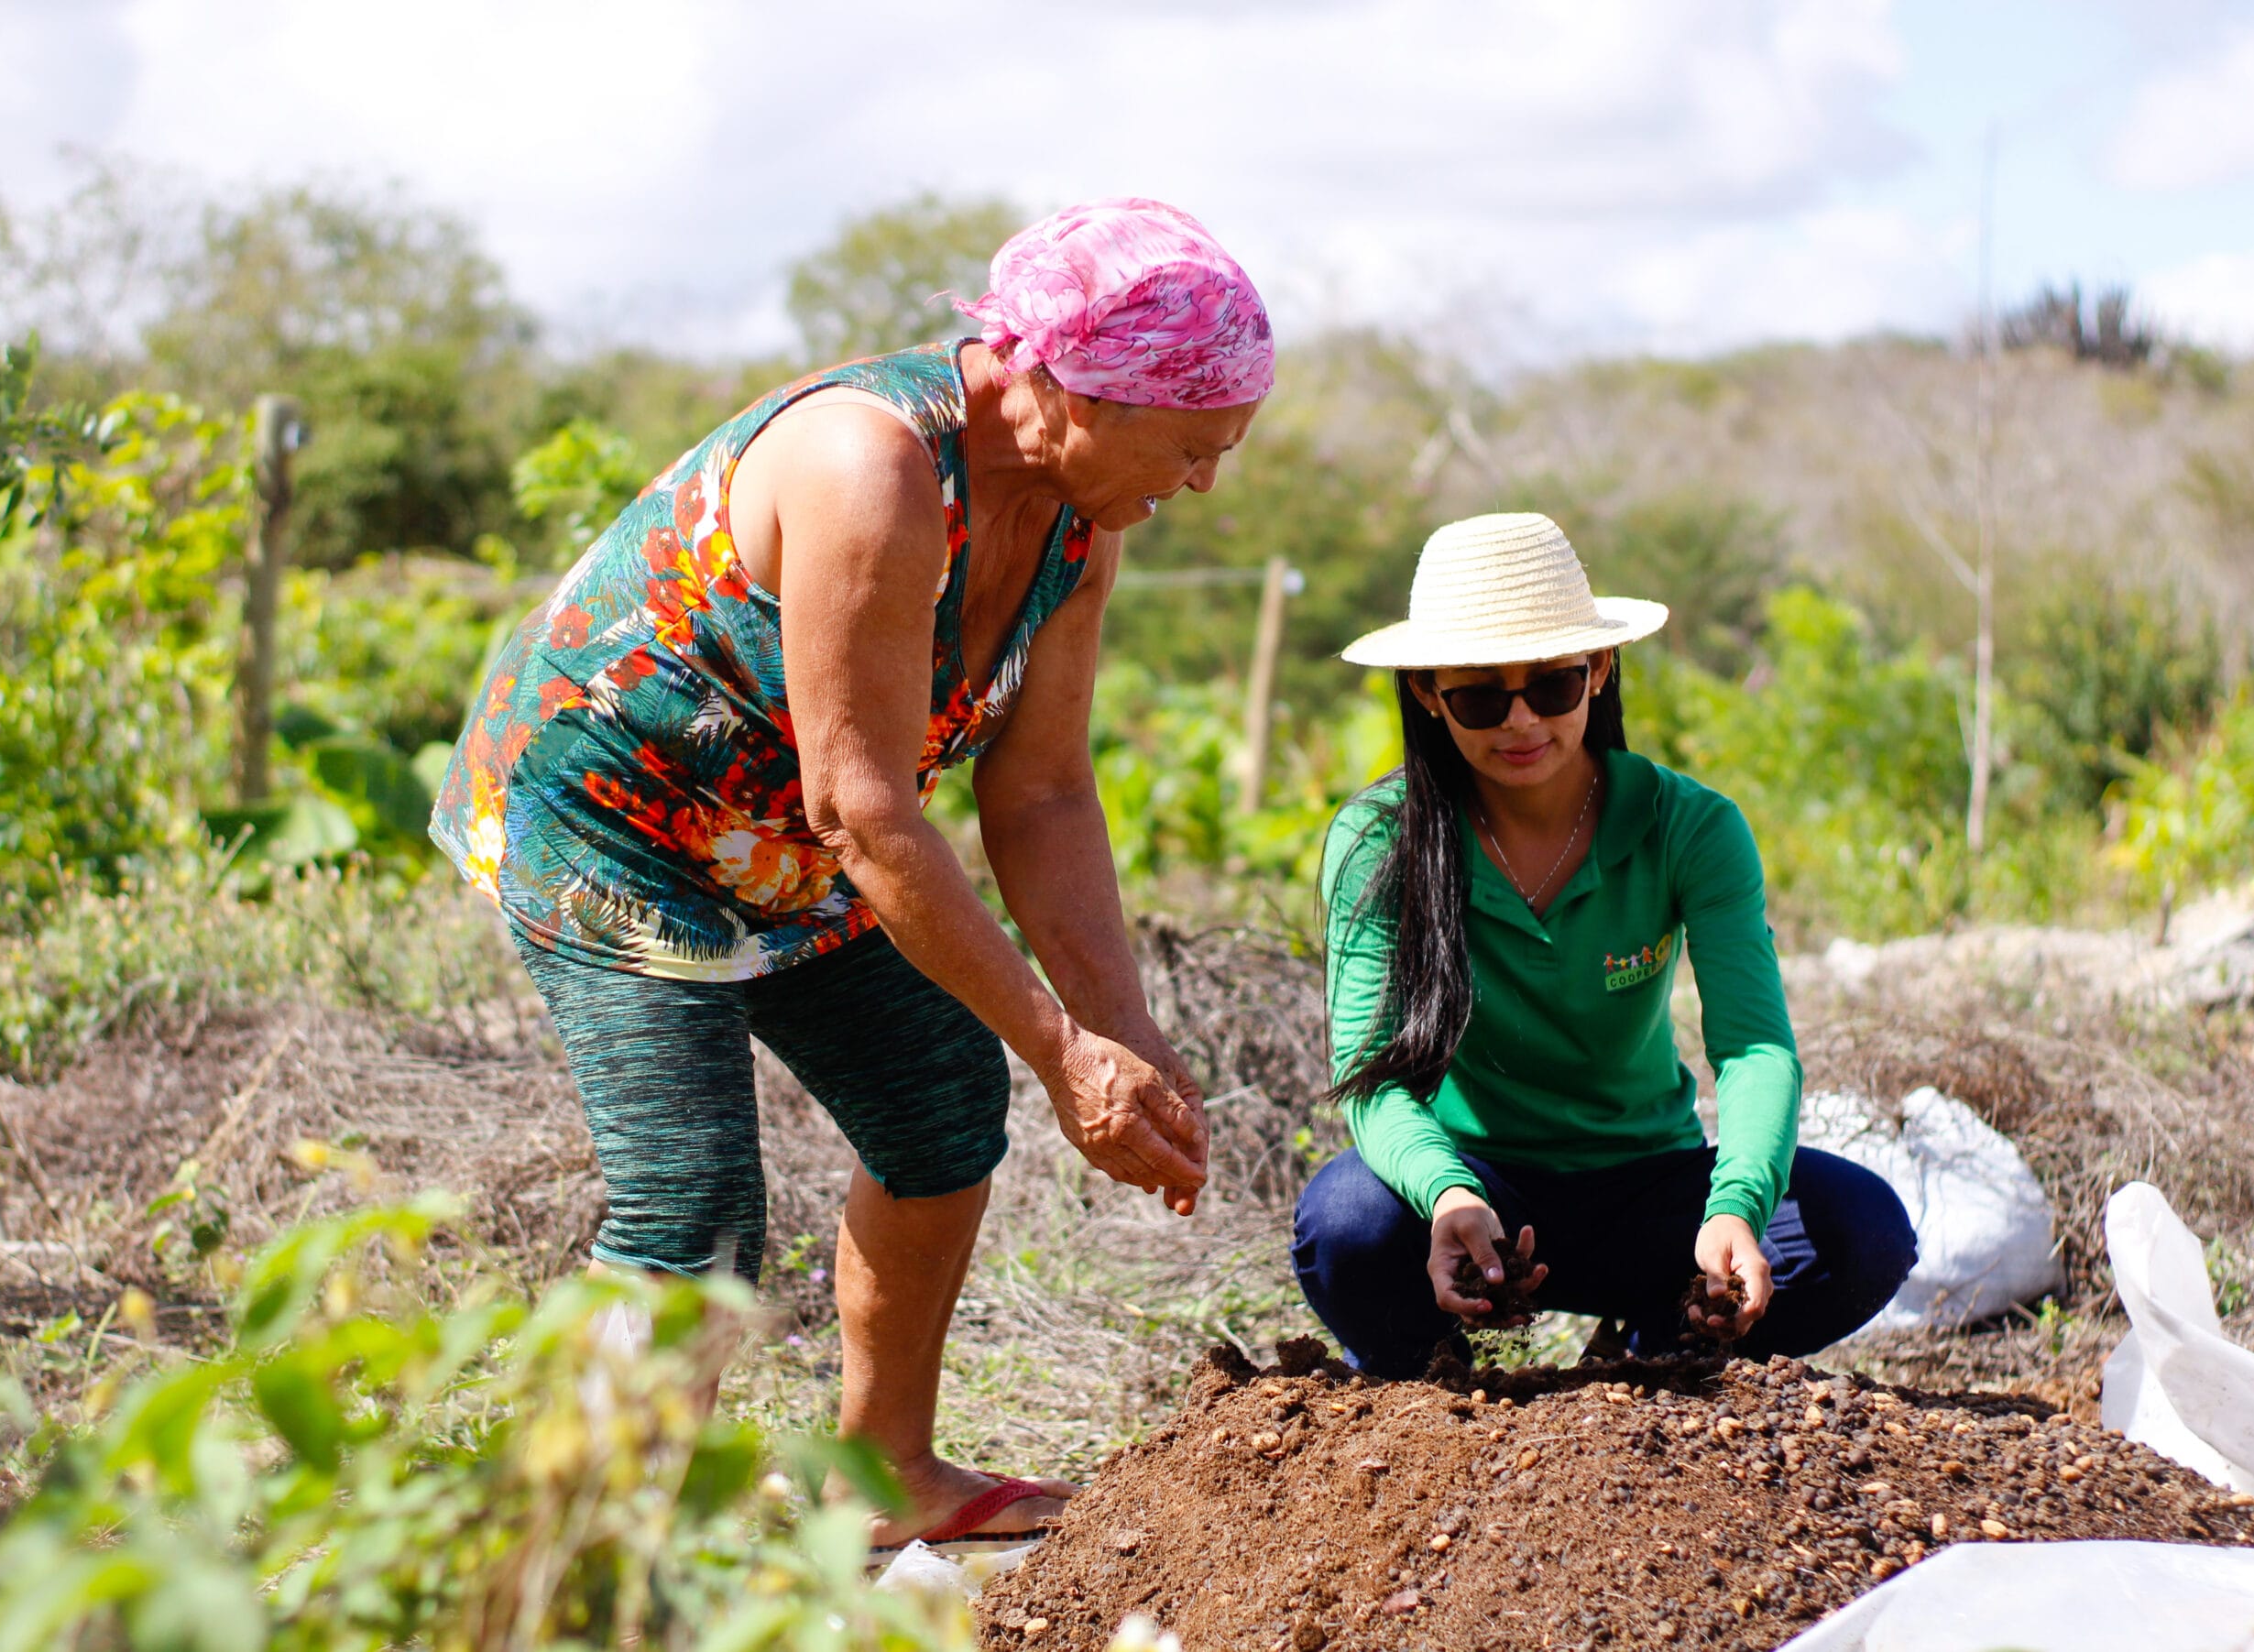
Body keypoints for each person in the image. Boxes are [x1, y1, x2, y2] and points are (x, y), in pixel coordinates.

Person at [428, 199, 1272, 1545]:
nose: (1206, 483)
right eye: (1190, 446)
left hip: (783, 836)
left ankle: (884, 1481)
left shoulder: (1078, 518)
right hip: (616, 818)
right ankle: (584, 1558)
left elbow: (1042, 792)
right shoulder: (868, 466)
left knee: (940, 1102)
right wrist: (1062, 1053)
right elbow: (866, 815)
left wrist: (1122, 1032)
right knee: (690, 1201)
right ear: (1076, 391)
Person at [1292, 513, 1916, 1378]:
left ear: (1599, 670)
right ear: (1428, 692)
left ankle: (1662, 1349)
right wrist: (1446, 1191)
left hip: (1651, 1189)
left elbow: (1754, 1047)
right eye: (1481, 697)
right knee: (1347, 1225)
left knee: (1861, 1231)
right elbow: (1373, 1076)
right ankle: (1440, 1391)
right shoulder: (1379, 840)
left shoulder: (1690, 826)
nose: (1521, 721)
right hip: (1478, 1193)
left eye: (1552, 685)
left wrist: (1736, 1205)